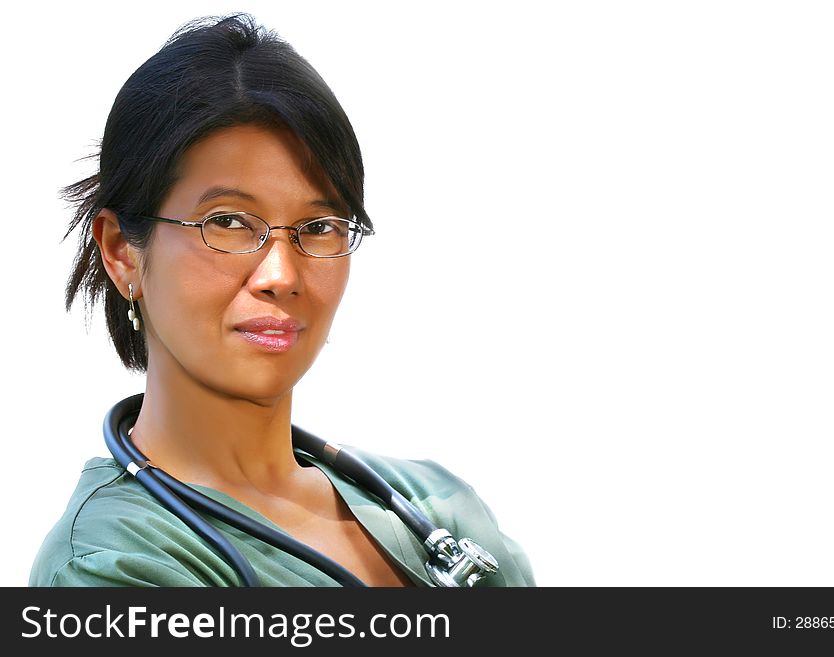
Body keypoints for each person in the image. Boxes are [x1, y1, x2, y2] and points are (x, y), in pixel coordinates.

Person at [28, 12, 535, 587]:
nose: (280, 274)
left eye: (318, 227)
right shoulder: (114, 564)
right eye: (226, 222)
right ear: (121, 252)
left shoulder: (435, 507)